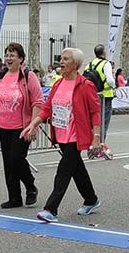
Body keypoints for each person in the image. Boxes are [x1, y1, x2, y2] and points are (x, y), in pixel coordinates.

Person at [22, 48, 102, 223]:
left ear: (75, 64)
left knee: (63, 170)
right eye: (61, 58)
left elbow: (95, 112)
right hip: (60, 134)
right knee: (77, 169)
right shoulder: (58, 84)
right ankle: (91, 199)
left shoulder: (85, 85)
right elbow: (47, 108)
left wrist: (96, 136)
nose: (61, 61)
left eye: (66, 59)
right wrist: (34, 123)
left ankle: (51, 209)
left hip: (76, 135)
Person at [0, 42, 43, 209]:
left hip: (22, 127)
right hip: (3, 126)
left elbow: (38, 101)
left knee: (17, 159)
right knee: (8, 163)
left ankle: (30, 187)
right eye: (7, 55)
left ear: (21, 59)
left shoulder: (28, 76)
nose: (8, 58)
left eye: (12, 55)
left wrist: (33, 126)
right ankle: (14, 197)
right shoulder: (0, 76)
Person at [85, 44, 115, 150]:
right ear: (104, 52)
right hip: (105, 95)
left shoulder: (89, 65)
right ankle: (100, 145)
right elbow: (110, 80)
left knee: (94, 122)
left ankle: (93, 144)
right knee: (103, 122)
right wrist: (114, 86)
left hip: (92, 95)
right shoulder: (106, 63)